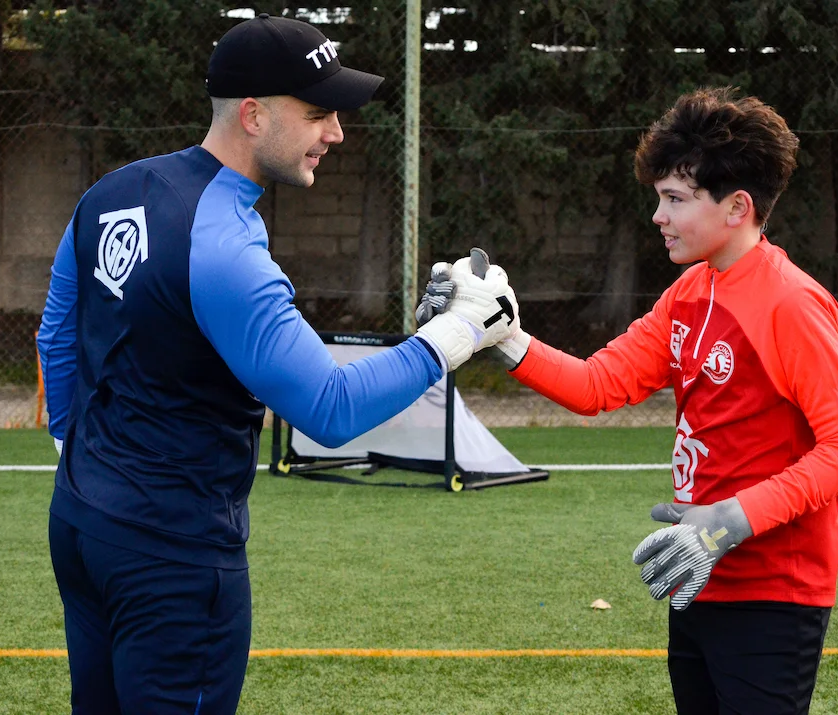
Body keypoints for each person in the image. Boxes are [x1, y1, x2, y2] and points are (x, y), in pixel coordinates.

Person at [36, 14, 517, 715]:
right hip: (173, 554)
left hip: (81, 523)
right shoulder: (226, 245)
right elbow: (329, 406)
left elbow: (56, 332)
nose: (337, 132)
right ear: (254, 115)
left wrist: (78, 453)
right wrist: (459, 334)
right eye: (319, 112)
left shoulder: (111, 190)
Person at [423, 87, 838, 714]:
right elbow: (597, 385)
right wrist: (503, 336)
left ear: (737, 207)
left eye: (674, 200)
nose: (658, 216)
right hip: (697, 574)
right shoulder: (690, 291)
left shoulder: (791, 304)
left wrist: (728, 523)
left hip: (774, 589)